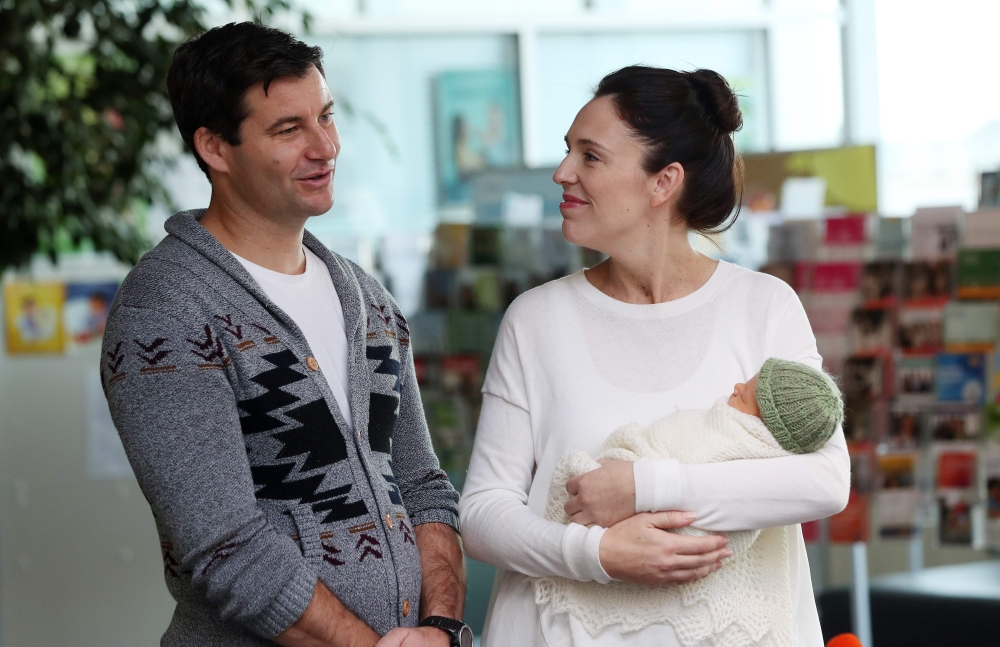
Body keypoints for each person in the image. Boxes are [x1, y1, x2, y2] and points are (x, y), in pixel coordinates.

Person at [101, 22, 469, 647]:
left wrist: (441, 626)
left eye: (325, 117)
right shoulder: (167, 309)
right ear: (215, 148)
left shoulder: (367, 297)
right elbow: (225, 545)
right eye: (288, 129)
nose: (325, 147)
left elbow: (424, 487)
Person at [459, 65, 851, 647]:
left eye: (590, 157)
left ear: (663, 182)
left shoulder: (764, 306)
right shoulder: (536, 319)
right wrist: (598, 553)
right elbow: (483, 514)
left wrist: (646, 488)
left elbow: (824, 481)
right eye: (569, 151)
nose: (562, 172)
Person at [539, 358, 844, 645]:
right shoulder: (716, 421)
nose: (736, 387)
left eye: (746, 395)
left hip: (640, 534)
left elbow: (721, 526)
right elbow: (673, 434)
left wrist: (639, 488)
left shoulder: (750, 456)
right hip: (619, 479)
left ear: (765, 423)